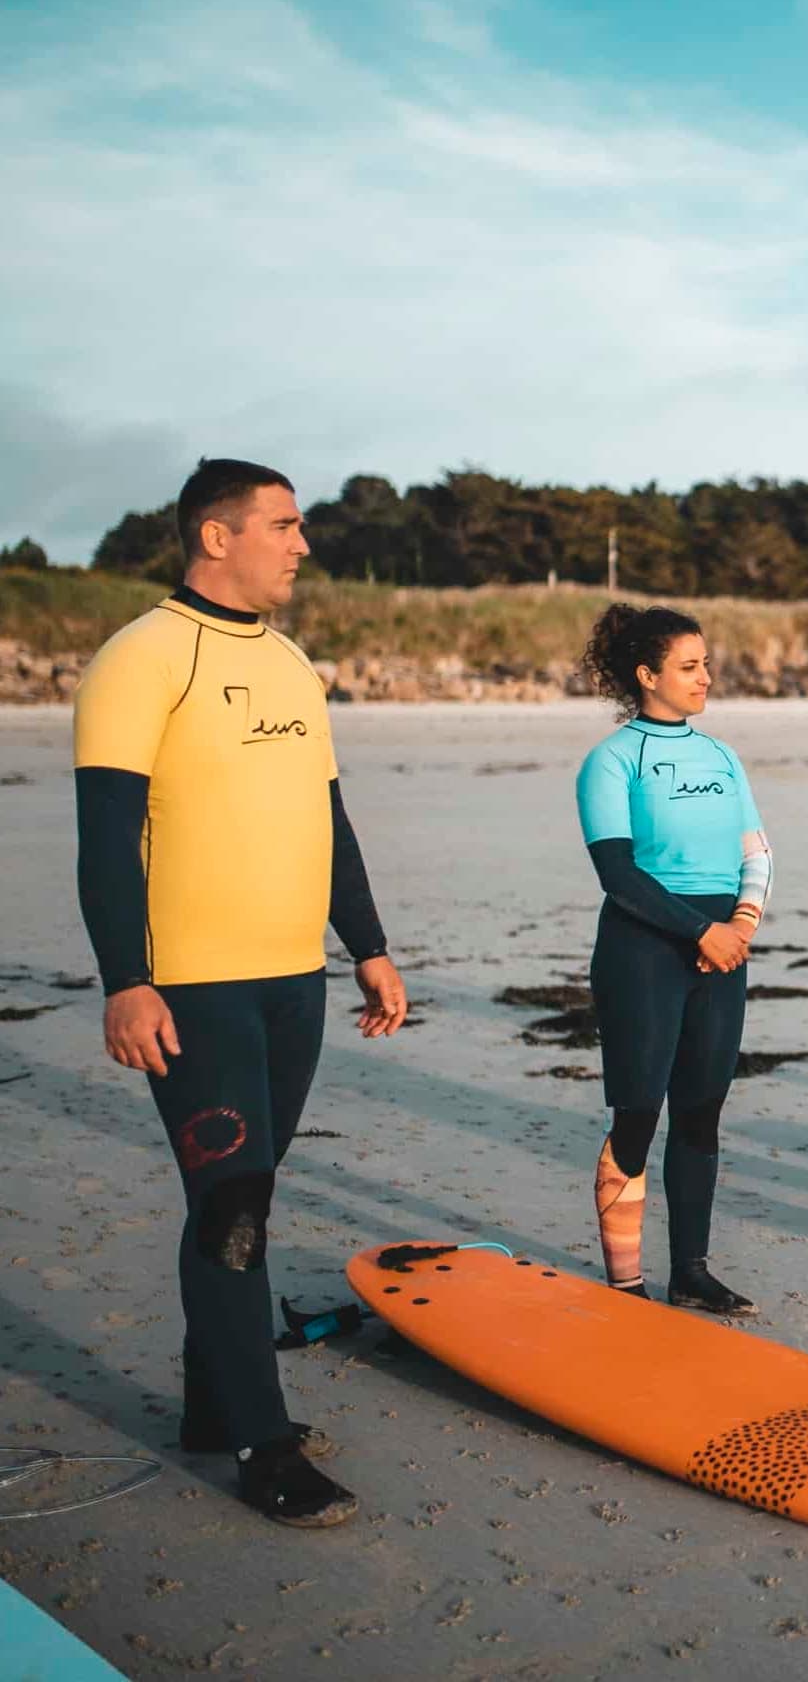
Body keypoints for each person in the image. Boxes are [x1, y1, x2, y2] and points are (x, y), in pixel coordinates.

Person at [72, 459, 408, 1527]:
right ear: (216, 537)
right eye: (283, 525)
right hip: (196, 986)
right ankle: (263, 1448)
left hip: (290, 982)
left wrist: (368, 944)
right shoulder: (142, 658)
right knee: (232, 1209)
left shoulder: (295, 666)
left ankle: (215, 1405)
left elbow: (330, 819)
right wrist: (128, 980)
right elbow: (105, 840)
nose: (302, 546)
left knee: (247, 1197)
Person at [575, 605, 772, 1317]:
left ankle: (691, 1271)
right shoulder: (613, 760)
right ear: (646, 675)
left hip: (723, 950)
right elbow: (618, 876)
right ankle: (626, 1283)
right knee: (638, 1114)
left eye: (705, 664)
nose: (704, 677)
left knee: (701, 1114)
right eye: (688, 666)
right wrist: (701, 931)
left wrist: (741, 922)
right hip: (644, 952)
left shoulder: (720, 756)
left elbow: (757, 852)